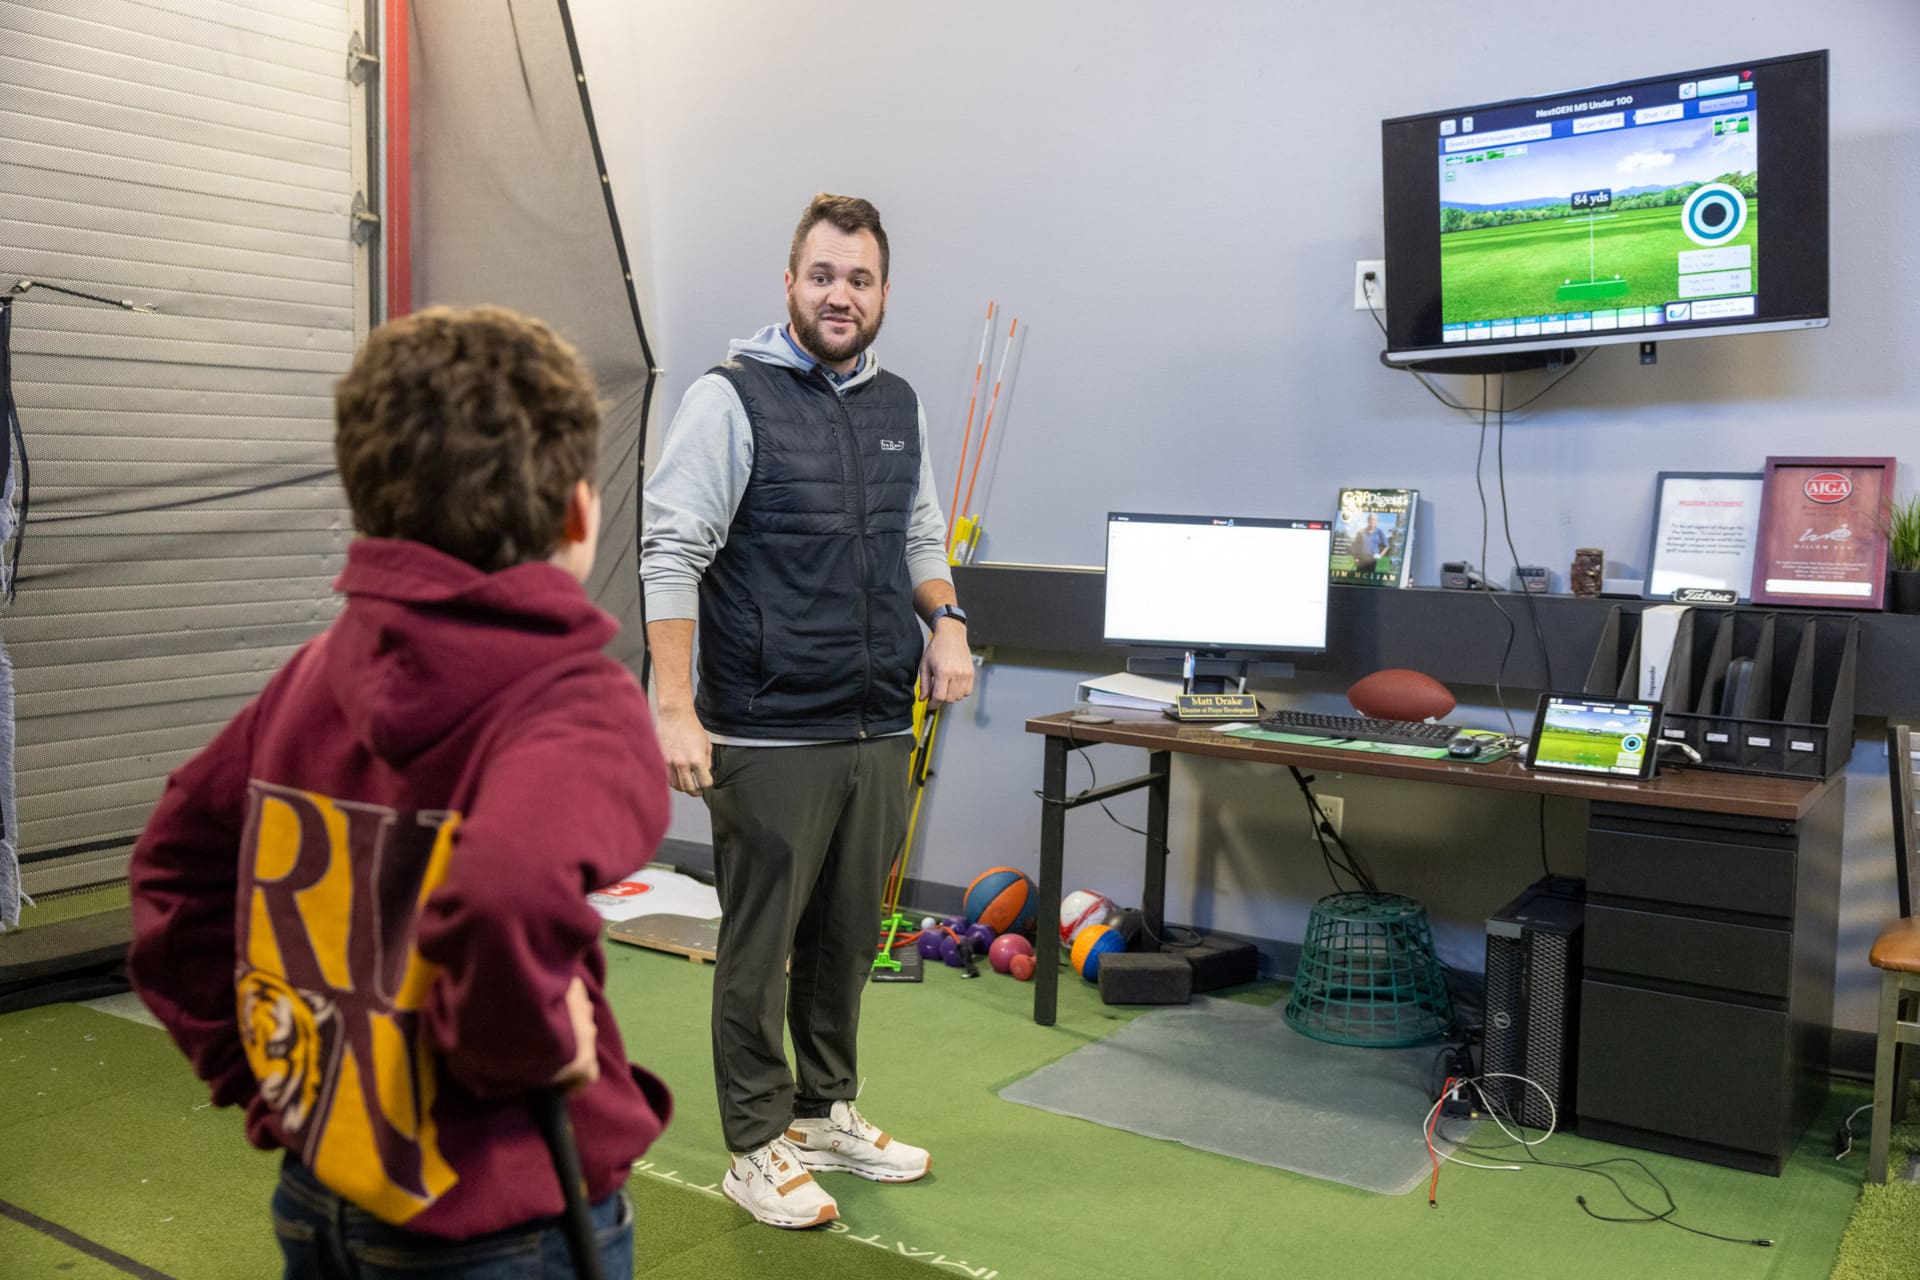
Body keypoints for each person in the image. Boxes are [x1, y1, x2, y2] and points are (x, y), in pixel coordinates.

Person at [127, 306, 674, 1278]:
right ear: (578, 513)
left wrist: (266, 1074)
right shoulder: (575, 701)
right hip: (500, 1225)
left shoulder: (312, 674)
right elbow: (505, 889)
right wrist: (532, 1045)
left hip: (324, 1194)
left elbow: (173, 866)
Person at [641, 193, 973, 1229]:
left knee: (846, 936)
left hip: (876, 722)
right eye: (823, 275)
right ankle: (754, 1144)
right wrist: (673, 707)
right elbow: (671, 552)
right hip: (767, 727)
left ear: (883, 293)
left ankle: (823, 1111)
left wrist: (948, 621)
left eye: (859, 279)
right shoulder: (729, 399)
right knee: (761, 947)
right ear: (789, 283)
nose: (841, 294)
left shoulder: (898, 402)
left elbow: (920, 535)